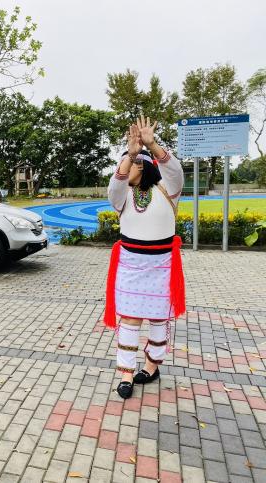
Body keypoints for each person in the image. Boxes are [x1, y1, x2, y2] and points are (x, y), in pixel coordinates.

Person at [104, 116, 186, 399]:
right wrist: (130, 154)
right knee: (129, 320)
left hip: (161, 265)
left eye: (132, 163)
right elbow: (114, 186)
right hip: (131, 265)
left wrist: (152, 144)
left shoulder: (168, 190)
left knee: (158, 321)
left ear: (145, 167)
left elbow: (175, 170)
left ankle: (152, 366)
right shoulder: (122, 196)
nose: (125, 168)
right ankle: (126, 373)